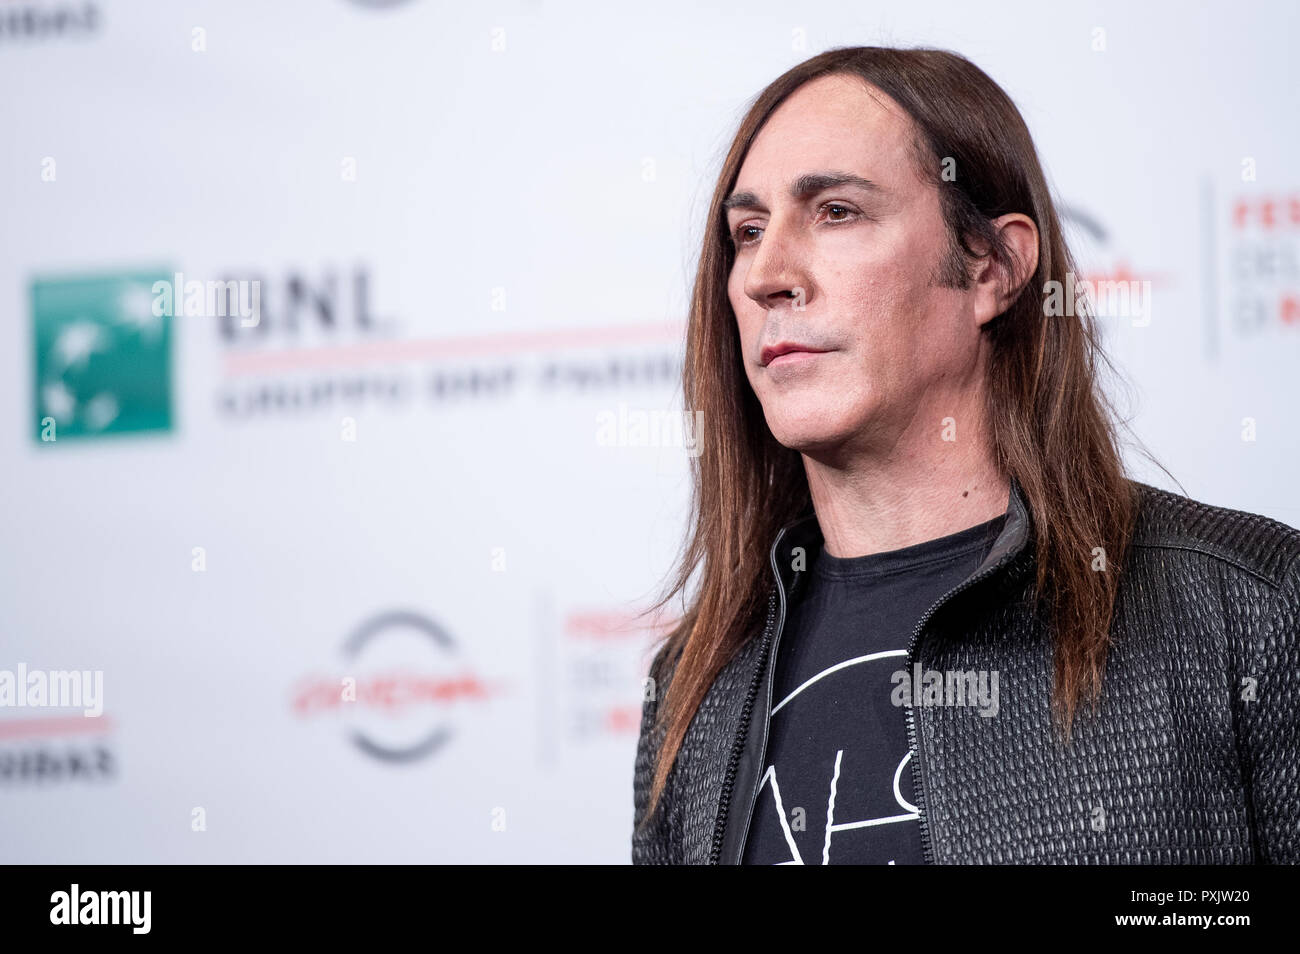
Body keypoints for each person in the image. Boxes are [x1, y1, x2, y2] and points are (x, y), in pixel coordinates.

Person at [631, 46, 1300, 865]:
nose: (767, 275)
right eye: (748, 231)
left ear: (993, 266)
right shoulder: (695, 682)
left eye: (836, 211)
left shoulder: (1253, 606)